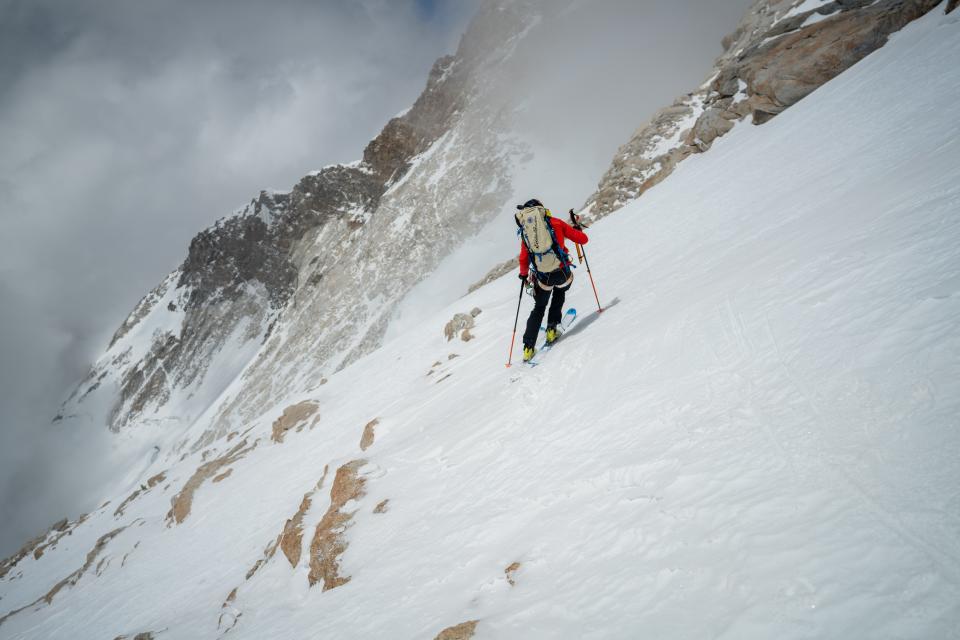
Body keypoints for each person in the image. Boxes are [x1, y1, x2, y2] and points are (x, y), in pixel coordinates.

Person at [515, 198, 589, 362]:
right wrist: (577, 229)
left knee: (539, 307)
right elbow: (583, 240)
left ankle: (528, 347)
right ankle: (551, 328)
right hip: (562, 273)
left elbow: (523, 258)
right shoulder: (556, 223)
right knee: (560, 292)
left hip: (543, 278)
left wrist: (523, 274)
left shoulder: (526, 232)